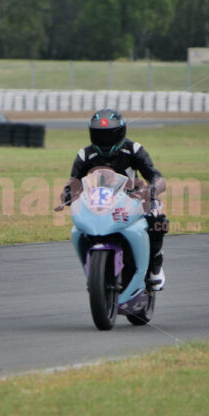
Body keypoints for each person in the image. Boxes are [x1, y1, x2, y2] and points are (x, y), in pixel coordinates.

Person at [60, 108, 168, 293]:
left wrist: (152, 189)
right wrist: (68, 193)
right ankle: (93, 267)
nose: (104, 141)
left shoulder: (133, 150)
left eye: (109, 136)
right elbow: (74, 182)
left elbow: (156, 177)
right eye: (99, 136)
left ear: (121, 133)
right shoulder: (85, 155)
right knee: (80, 226)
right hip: (98, 202)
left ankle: (155, 265)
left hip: (131, 199)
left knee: (158, 220)